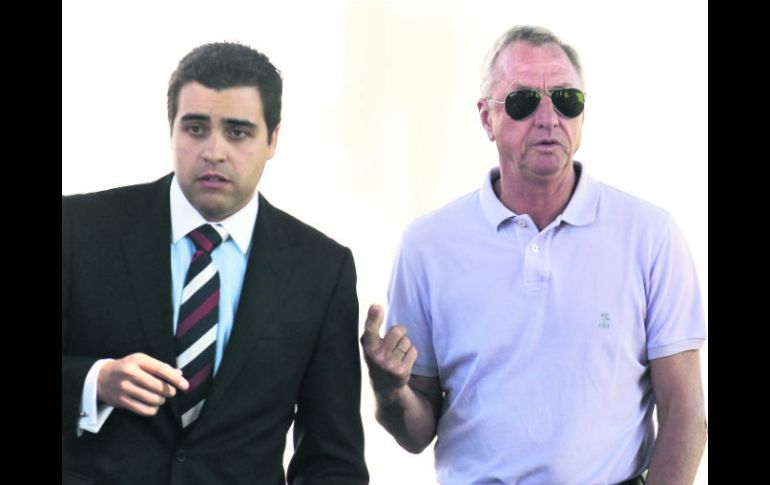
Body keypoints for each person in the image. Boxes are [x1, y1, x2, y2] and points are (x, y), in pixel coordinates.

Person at [360, 25, 707, 485]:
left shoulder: (650, 235)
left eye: (566, 99)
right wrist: (389, 391)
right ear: (486, 118)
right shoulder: (428, 245)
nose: (548, 118)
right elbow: (415, 433)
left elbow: (685, 413)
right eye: (523, 101)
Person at [62, 42, 368, 485]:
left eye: (238, 132)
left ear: (273, 139)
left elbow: (333, 459)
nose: (213, 151)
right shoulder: (79, 229)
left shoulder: (321, 269)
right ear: (171, 130)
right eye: (196, 128)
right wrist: (96, 381)